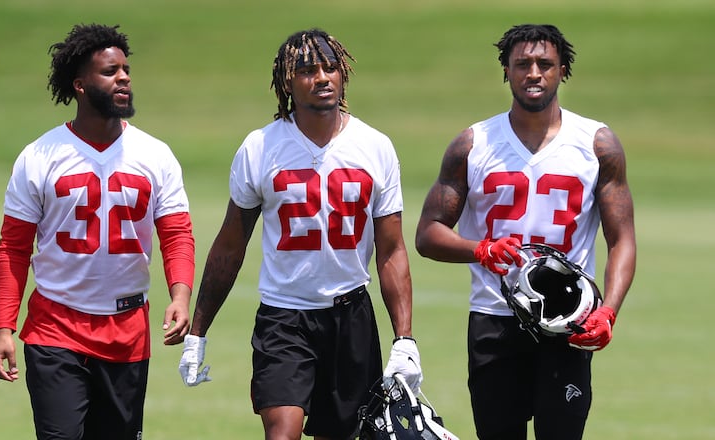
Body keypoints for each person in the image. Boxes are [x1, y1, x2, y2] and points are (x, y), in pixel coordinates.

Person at [178, 28, 422, 440]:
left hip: (351, 317)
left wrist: (405, 339)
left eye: (331, 68)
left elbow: (392, 250)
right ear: (287, 81)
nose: (323, 78)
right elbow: (230, 245)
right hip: (284, 318)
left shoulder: (375, 146)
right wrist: (198, 332)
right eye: (308, 70)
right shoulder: (260, 148)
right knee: (282, 433)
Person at [414, 24, 636, 440]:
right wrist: (480, 249)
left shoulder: (596, 144)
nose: (533, 73)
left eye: (545, 64)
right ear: (506, 71)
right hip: (495, 321)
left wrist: (609, 311)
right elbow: (428, 235)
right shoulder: (473, 144)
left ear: (563, 70)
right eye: (522, 64)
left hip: (568, 321)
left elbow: (621, 239)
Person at [0, 23, 196, 439]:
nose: (123, 78)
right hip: (55, 327)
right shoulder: (40, 156)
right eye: (110, 71)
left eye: (126, 70)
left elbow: (176, 233)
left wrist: (180, 294)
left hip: (127, 331)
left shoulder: (155, 155)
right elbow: (13, 247)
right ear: (80, 85)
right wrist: (3, 328)